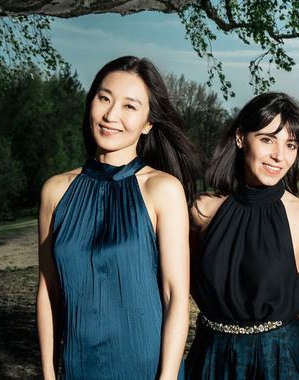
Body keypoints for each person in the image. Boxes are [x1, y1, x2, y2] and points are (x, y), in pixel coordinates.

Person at [36, 56, 196, 380]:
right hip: (78, 368)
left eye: (130, 106)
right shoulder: (55, 191)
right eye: (104, 98)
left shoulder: (162, 189)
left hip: (148, 368)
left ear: (149, 122)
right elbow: (48, 291)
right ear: (91, 101)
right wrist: (49, 376)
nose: (111, 115)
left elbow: (176, 297)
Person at [184, 92, 299, 380]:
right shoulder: (202, 212)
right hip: (213, 359)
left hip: (281, 362)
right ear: (241, 137)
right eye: (267, 139)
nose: (279, 155)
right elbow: (181, 291)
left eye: (290, 144)